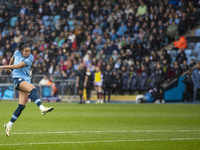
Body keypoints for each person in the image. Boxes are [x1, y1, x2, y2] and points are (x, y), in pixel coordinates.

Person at [0, 41, 54, 137]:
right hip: (17, 79)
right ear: (21, 50)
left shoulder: (30, 58)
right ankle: (42, 108)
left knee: (21, 106)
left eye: (29, 51)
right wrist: (9, 67)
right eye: (26, 51)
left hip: (25, 80)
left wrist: (3, 67)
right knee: (33, 89)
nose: (28, 53)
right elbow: (13, 58)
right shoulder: (17, 52)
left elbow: (18, 66)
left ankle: (9, 124)